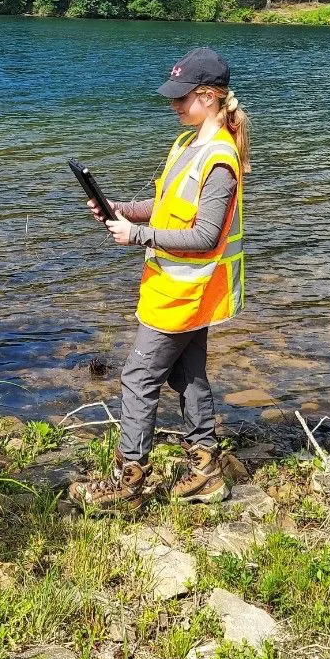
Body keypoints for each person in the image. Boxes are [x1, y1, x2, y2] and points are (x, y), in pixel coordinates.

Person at [69, 46, 250, 514]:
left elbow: (207, 235)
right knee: (187, 374)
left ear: (209, 97)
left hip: (186, 291)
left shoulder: (220, 160)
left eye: (182, 97)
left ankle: (129, 481)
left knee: (137, 378)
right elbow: (168, 205)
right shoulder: (187, 145)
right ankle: (207, 470)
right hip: (179, 286)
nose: (174, 105)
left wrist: (137, 235)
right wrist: (121, 211)